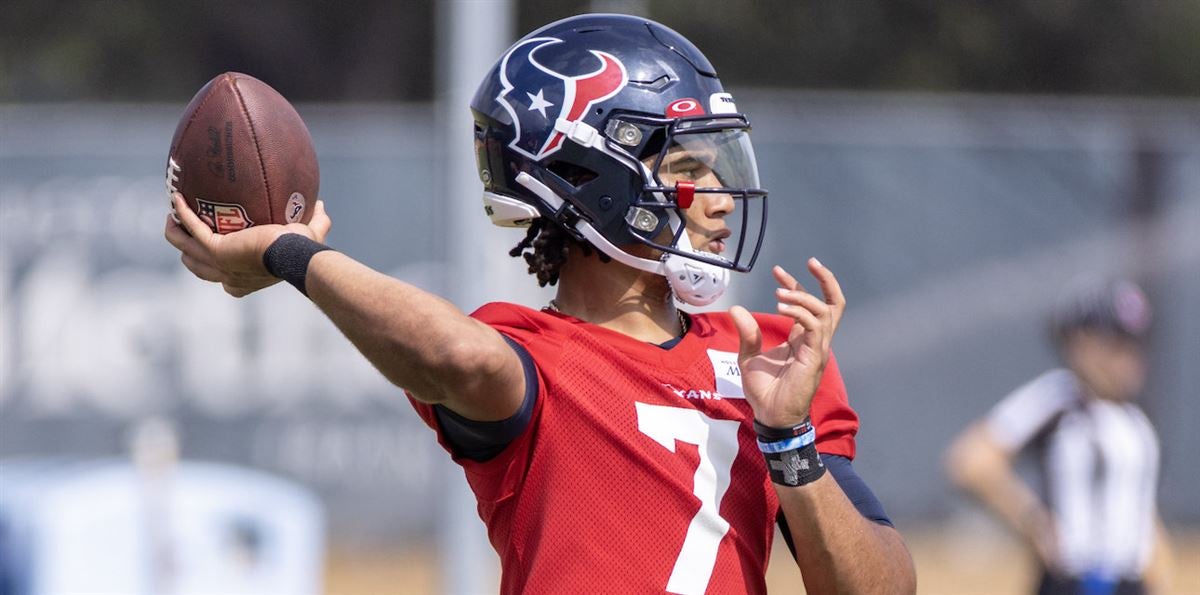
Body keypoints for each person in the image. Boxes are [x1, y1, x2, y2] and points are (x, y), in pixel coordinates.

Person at [165, 14, 914, 595]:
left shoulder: (769, 355)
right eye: (689, 167)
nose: (719, 202)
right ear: (593, 177)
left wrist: (788, 440)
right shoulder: (531, 357)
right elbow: (455, 353)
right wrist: (287, 251)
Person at [945, 278, 1174, 595]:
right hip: (1073, 582)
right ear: (1082, 343)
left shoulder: (1136, 421)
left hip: (1129, 584)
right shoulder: (1059, 398)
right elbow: (971, 461)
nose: (1128, 360)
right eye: (1116, 345)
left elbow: (1141, 512)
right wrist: (1033, 521)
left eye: (1134, 345)